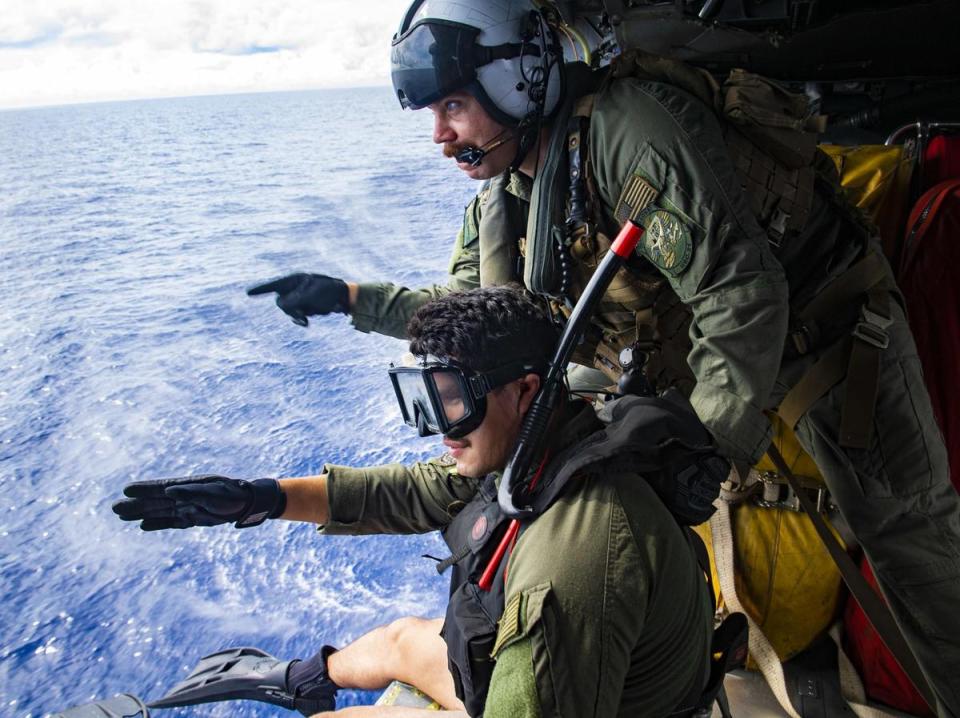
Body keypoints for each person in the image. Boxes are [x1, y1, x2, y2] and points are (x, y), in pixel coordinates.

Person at [245, 1, 960, 715]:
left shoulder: (630, 135)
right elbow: (474, 318)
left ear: (518, 80)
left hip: (827, 334)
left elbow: (741, 293)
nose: (439, 135)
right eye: (432, 113)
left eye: (454, 105)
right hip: (692, 346)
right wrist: (350, 299)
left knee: (910, 539)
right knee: (540, 440)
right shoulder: (509, 192)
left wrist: (700, 453)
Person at [113, 286, 724, 717]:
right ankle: (301, 681)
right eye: (425, 400)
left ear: (524, 389)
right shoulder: (540, 440)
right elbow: (414, 491)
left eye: (451, 400)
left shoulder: (570, 565)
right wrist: (259, 498)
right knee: (402, 639)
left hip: (608, 700)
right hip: (564, 672)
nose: (441, 429)